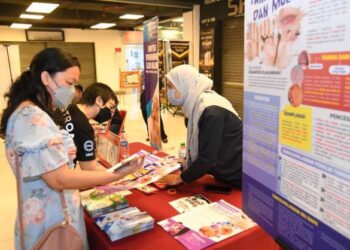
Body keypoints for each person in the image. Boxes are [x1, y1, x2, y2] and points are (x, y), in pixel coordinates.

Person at [0, 48, 142, 250]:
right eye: (69, 83)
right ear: (46, 78)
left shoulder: (38, 110)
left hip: (56, 215)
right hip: (52, 224)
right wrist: (114, 176)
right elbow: (59, 178)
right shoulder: (32, 118)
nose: (73, 90)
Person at [159, 65, 243, 188]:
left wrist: (179, 178)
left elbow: (207, 158)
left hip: (235, 176)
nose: (168, 92)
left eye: (171, 87)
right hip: (220, 172)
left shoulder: (211, 111)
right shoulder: (195, 106)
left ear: (184, 86)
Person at [57, 82, 118, 170]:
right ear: (99, 101)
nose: (111, 113)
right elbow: (90, 171)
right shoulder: (84, 128)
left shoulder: (68, 107)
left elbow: (74, 131)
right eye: (110, 106)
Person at [140, 71, 168, 143]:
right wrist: (142, 82)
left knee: (158, 120)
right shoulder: (143, 75)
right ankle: (150, 135)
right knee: (147, 120)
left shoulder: (155, 77)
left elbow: (161, 90)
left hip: (154, 102)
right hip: (144, 102)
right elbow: (141, 91)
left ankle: (163, 136)